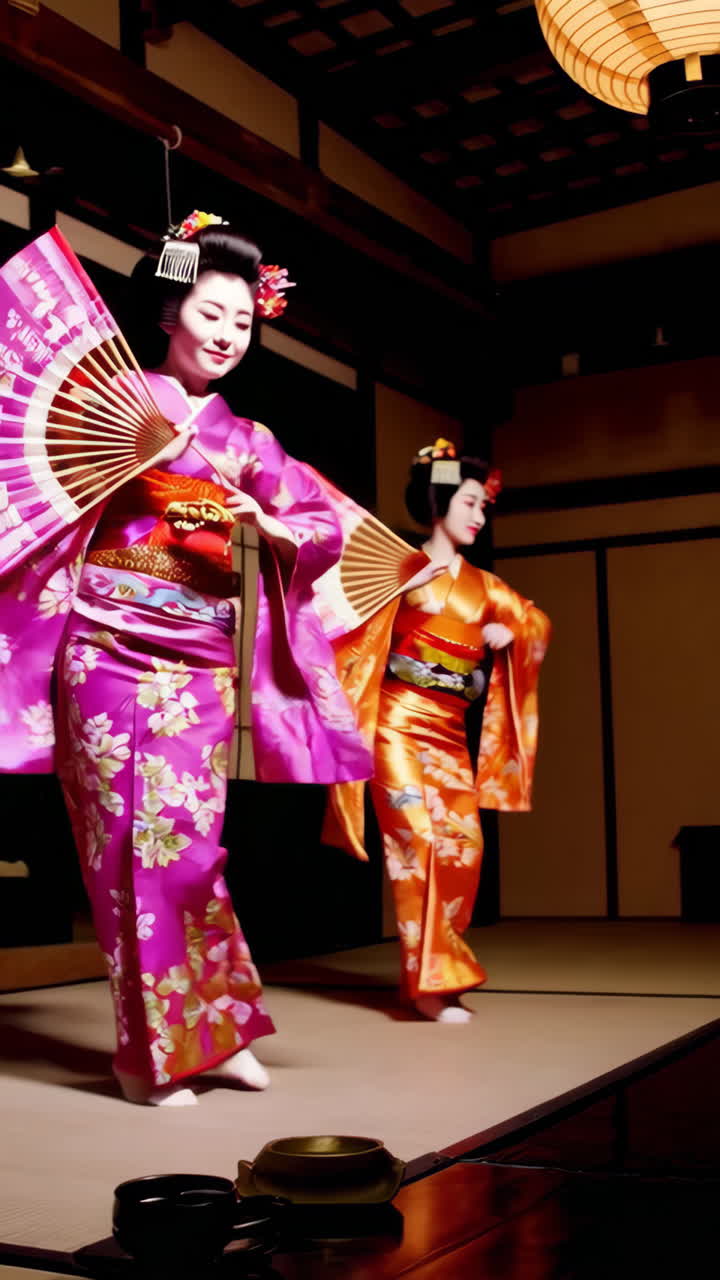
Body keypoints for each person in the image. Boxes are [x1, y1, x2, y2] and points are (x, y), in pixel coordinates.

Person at [0, 212, 436, 1103]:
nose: (230, 335)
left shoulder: (248, 439)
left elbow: (318, 525)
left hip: (200, 659)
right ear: (168, 312)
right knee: (134, 848)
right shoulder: (104, 405)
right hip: (107, 648)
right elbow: (41, 484)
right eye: (212, 313)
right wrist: (127, 467)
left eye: (244, 322)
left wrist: (271, 524)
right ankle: (148, 1054)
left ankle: (220, 1027)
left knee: (193, 850)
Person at [322, 439, 550, 1023]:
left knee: (464, 849)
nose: (478, 515)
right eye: (469, 502)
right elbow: (346, 626)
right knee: (416, 843)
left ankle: (436, 971)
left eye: (483, 507)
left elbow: (534, 619)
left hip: (450, 729)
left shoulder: (486, 587)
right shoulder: (398, 568)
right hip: (396, 724)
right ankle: (428, 983)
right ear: (438, 503)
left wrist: (514, 631)